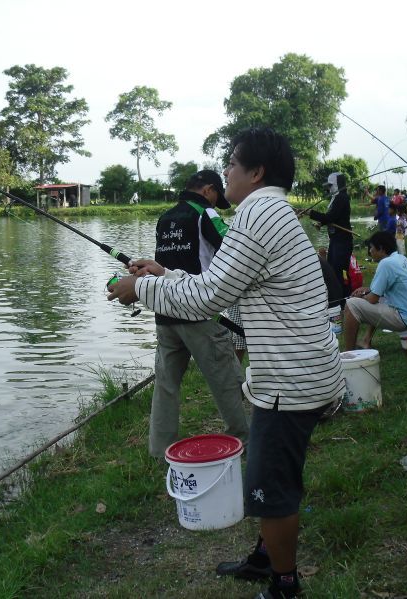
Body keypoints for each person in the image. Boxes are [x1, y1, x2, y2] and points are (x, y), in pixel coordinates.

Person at [108, 127, 344, 599]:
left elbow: (207, 297)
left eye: (233, 164)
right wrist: (166, 273)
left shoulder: (256, 214)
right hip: (299, 371)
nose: (227, 172)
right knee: (271, 468)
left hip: (290, 381)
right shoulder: (270, 210)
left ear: (256, 173)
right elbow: (222, 287)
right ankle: (265, 557)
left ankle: (284, 585)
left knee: (271, 491)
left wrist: (141, 289)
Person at [147, 170, 249, 458]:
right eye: (216, 195)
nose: (217, 202)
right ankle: (243, 439)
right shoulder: (206, 214)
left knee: (166, 384)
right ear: (207, 190)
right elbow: (235, 248)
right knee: (226, 378)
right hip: (199, 311)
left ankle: (159, 449)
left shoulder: (165, 217)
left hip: (165, 310)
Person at [343, 230, 407, 351]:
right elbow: (378, 291)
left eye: (371, 248)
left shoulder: (386, 264)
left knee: (351, 305)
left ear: (381, 248)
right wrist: (367, 290)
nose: (370, 251)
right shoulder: (400, 258)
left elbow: (372, 299)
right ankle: (366, 340)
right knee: (378, 299)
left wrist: (361, 297)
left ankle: (348, 353)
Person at [309, 172, 353, 308]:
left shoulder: (342, 198)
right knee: (333, 269)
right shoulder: (336, 197)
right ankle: (337, 299)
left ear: (338, 184)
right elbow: (331, 217)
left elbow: (331, 217)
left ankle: (343, 300)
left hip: (342, 241)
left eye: (331, 185)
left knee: (339, 271)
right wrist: (321, 223)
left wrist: (310, 213)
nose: (329, 188)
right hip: (336, 239)